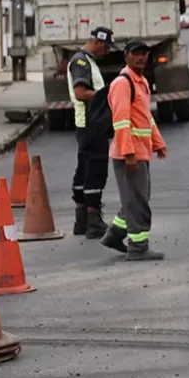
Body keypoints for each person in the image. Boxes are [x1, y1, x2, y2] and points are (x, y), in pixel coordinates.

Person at [100, 40, 168, 261]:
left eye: (144, 54)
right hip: (129, 155)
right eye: (135, 54)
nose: (140, 58)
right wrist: (128, 154)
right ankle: (138, 247)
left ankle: (114, 235)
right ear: (126, 56)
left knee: (136, 198)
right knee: (138, 202)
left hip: (140, 151)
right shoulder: (123, 83)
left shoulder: (141, 82)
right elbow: (121, 121)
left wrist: (158, 143)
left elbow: (145, 117)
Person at [68, 26, 116, 239]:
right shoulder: (81, 62)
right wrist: (107, 96)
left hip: (87, 125)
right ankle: (93, 220)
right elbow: (80, 93)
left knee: (83, 170)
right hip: (92, 124)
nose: (107, 51)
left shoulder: (87, 61)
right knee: (96, 171)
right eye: (106, 47)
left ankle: (82, 220)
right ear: (97, 42)